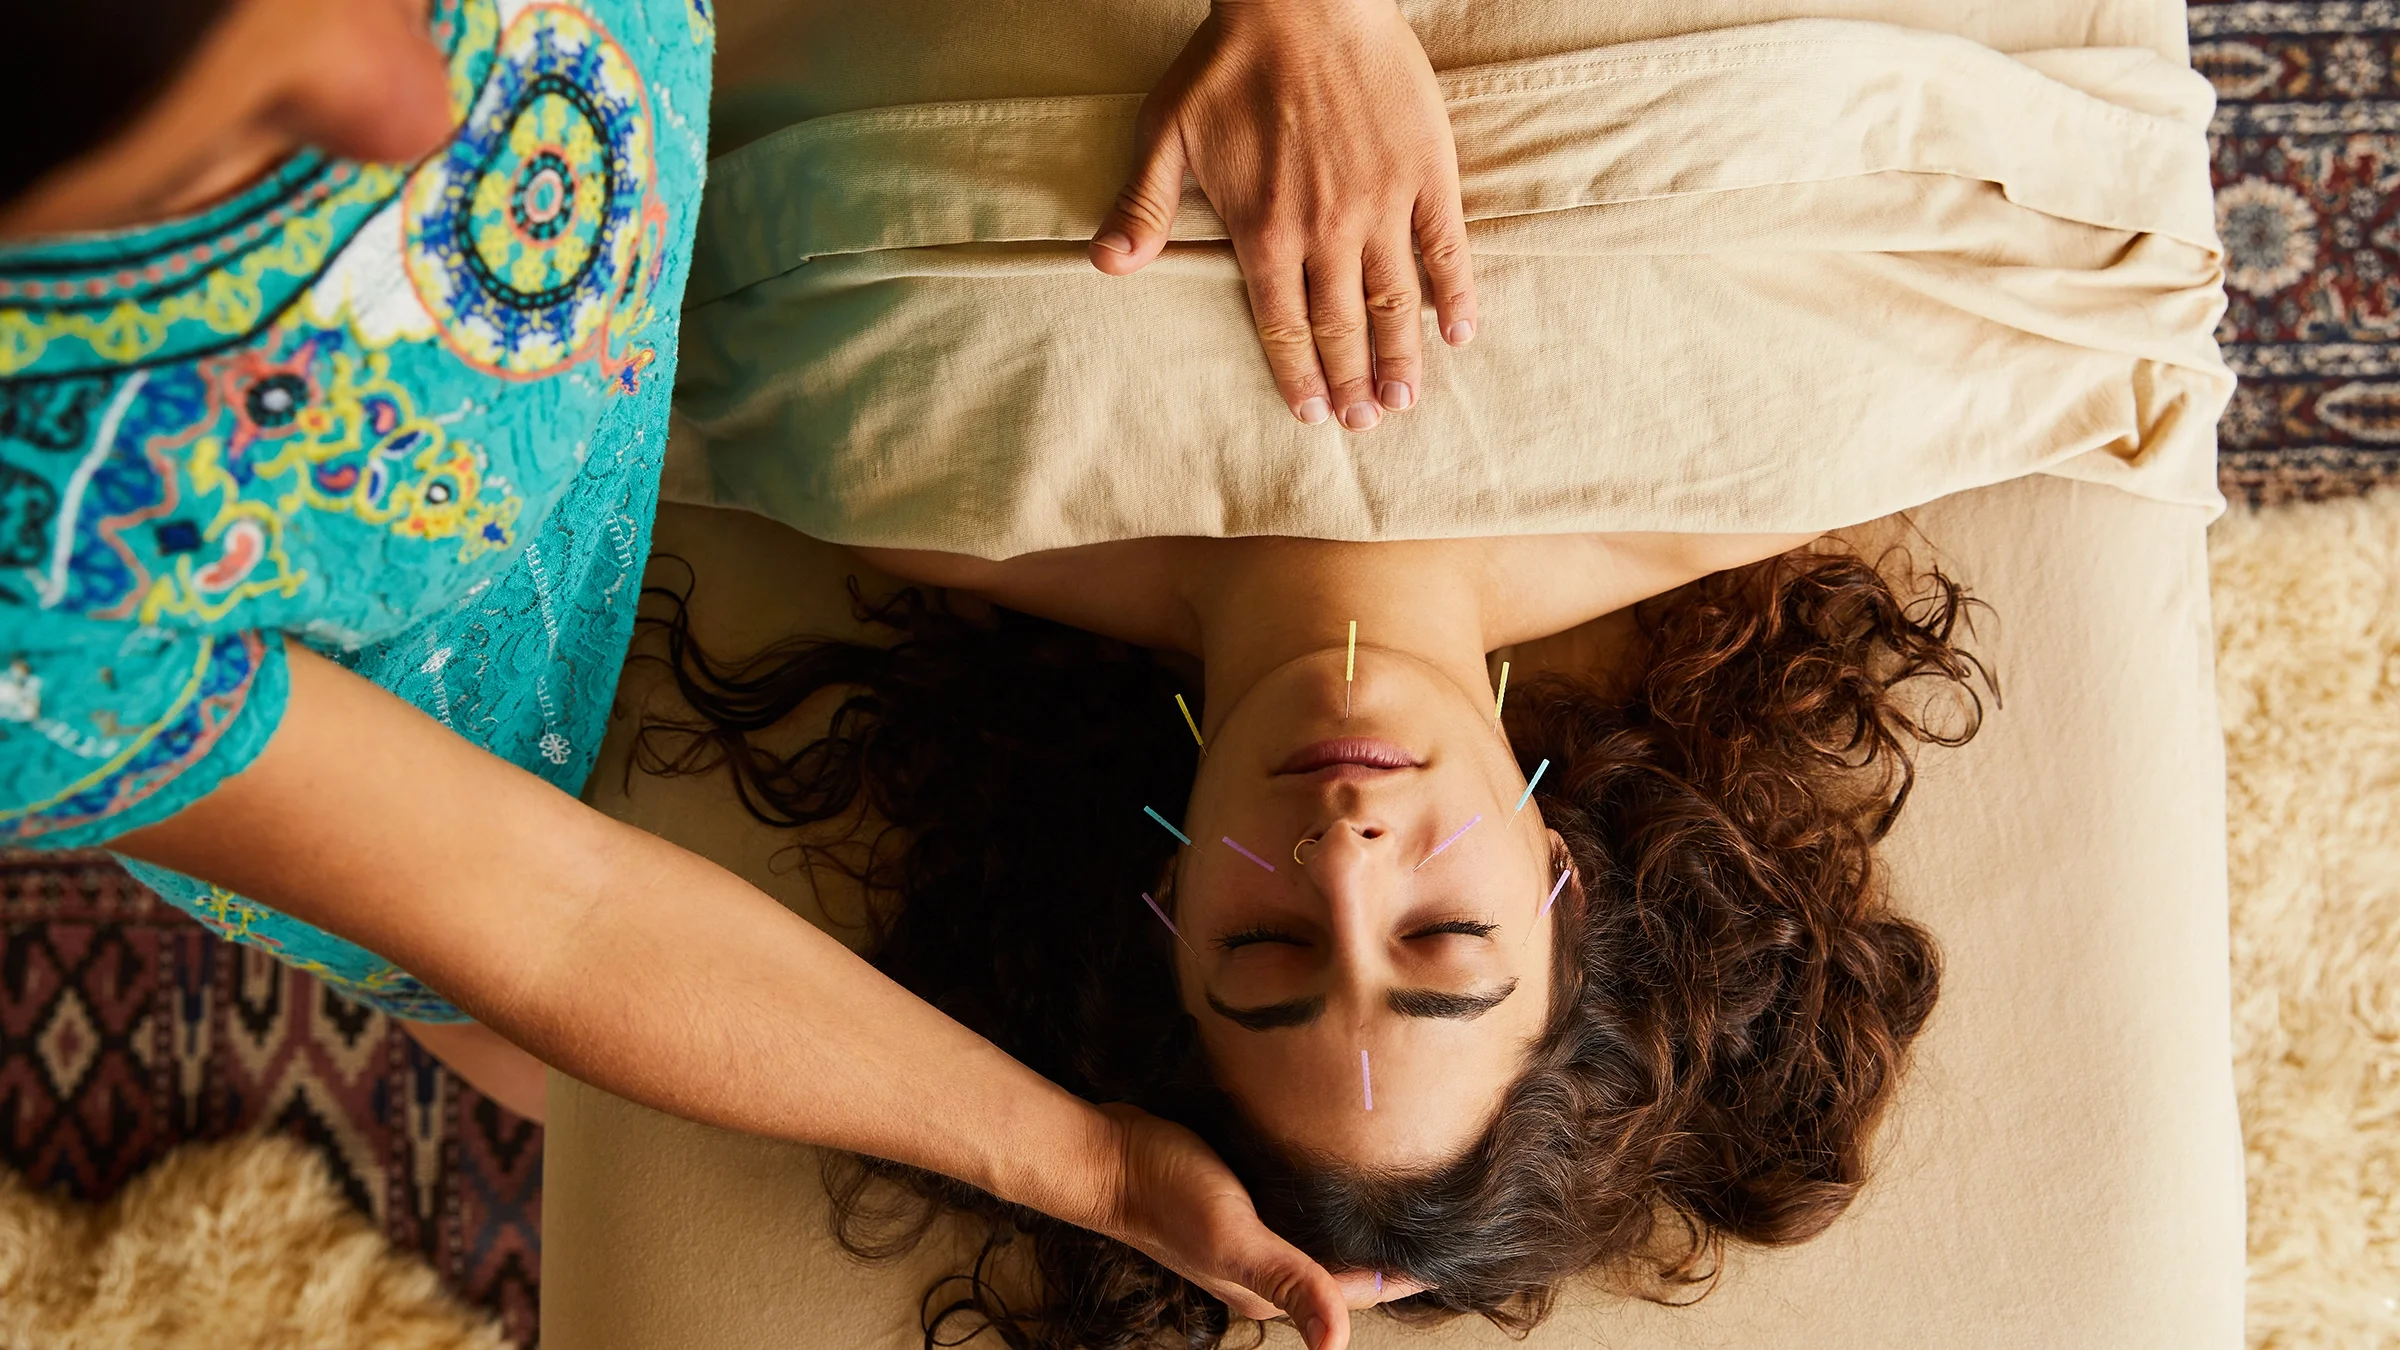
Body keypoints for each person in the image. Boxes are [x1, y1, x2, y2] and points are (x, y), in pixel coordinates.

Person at [0, 0, 1493, 1339]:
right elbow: (556, 915)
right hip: (434, 703)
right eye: (243, 128)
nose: (415, 109)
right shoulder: (41, 627)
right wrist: (1087, 1162)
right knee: (520, 1046)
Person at [636, 522, 1989, 1346]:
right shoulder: (1728, 470)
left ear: (1163, 897)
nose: (1343, 856)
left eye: (1270, 950)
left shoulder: (904, 486)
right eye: (1445, 935)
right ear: (1562, 871)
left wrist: (1104, 1169)